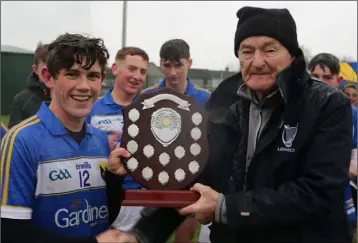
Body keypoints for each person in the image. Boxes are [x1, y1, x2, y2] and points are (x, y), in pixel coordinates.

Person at [110, 6, 353, 243]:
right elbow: (195, 174)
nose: (257, 61)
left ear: (291, 55)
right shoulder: (223, 105)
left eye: (269, 50)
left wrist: (227, 208)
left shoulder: (327, 104)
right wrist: (141, 234)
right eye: (247, 51)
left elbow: (318, 192)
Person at [1, 33, 124, 243]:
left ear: (102, 80)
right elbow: (11, 232)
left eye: (92, 76)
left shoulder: (101, 140)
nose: (84, 86)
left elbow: (102, 218)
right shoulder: (21, 140)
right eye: (72, 74)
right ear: (49, 78)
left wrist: (114, 179)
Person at [141, 39, 211, 243]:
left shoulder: (205, 99)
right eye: (167, 65)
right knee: (151, 231)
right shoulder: (147, 96)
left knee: (185, 227)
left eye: (178, 64)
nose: (172, 72)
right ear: (160, 63)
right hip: (155, 173)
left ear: (189, 62)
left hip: (190, 174)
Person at [87, 46, 149, 231]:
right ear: (114, 69)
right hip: (103, 196)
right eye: (131, 69)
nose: (137, 76)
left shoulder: (149, 110)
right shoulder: (92, 109)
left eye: (142, 71)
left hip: (142, 197)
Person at [309, 53, 358, 235]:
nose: (320, 82)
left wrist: (329, 173)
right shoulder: (297, 112)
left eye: (327, 77)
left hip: (339, 197)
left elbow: (355, 158)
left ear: (339, 80)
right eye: (315, 76)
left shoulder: (352, 115)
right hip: (302, 201)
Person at [8, 43, 51, 128]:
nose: (49, 73)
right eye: (45, 69)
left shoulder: (66, 97)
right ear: (35, 69)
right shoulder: (22, 100)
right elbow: (14, 134)